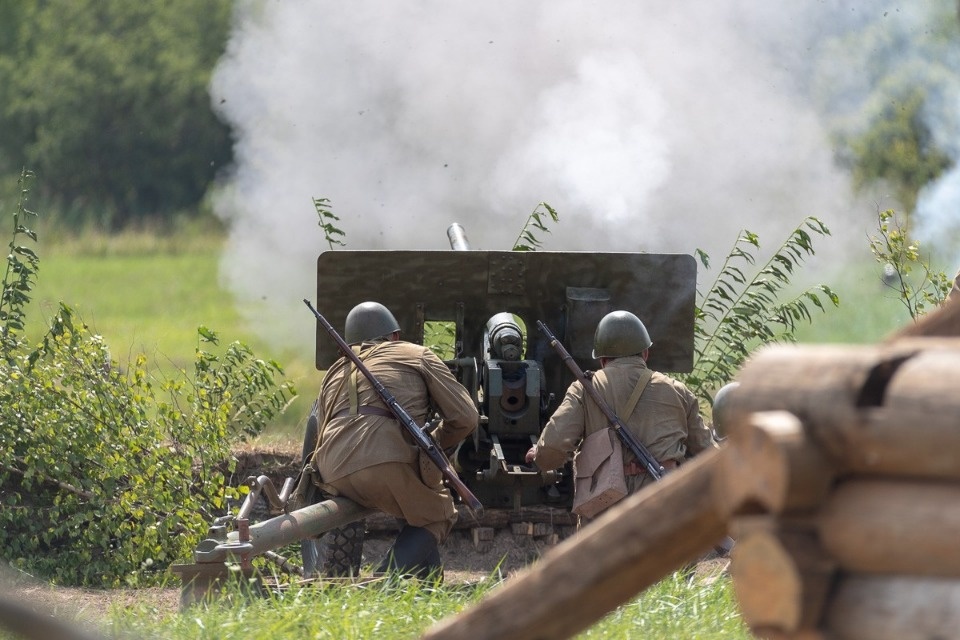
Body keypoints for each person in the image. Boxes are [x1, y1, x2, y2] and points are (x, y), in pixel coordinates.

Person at [310, 301, 479, 580]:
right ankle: (380, 588)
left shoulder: (335, 371)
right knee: (438, 514)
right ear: (395, 336)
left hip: (332, 470)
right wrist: (435, 442)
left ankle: (428, 585)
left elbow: (320, 424)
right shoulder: (415, 354)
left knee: (416, 507)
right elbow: (466, 417)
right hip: (386, 462)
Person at [525, 310, 717, 521]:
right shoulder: (679, 392)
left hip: (607, 507)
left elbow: (553, 446)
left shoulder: (586, 389)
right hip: (666, 504)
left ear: (602, 360)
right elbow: (709, 453)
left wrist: (540, 456)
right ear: (645, 354)